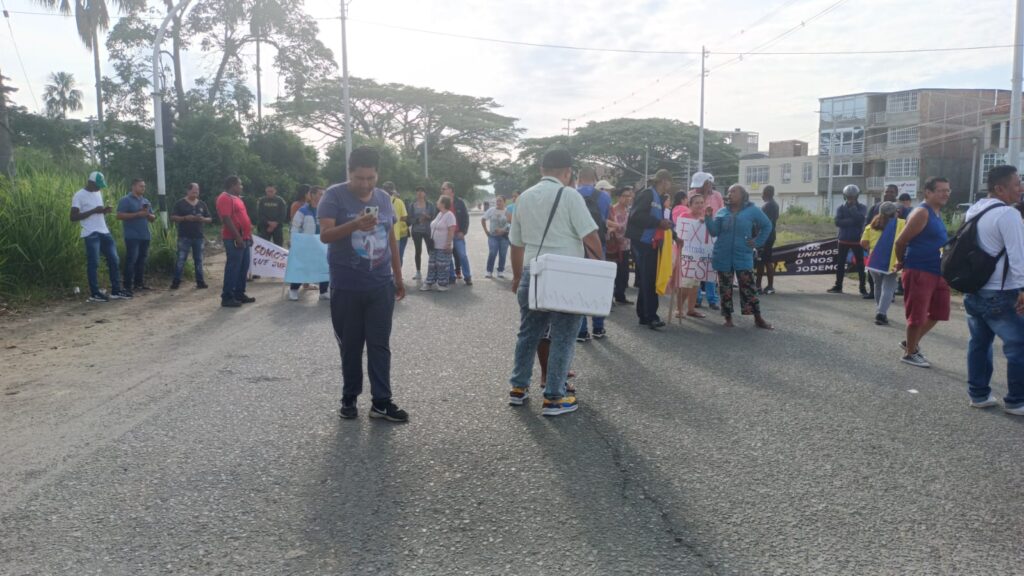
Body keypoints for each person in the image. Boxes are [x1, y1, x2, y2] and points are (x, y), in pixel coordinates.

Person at [507, 147, 602, 416]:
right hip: (565, 275)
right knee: (563, 336)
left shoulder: (524, 197)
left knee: (528, 333)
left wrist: (516, 276)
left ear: (541, 170)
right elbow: (591, 237)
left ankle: (518, 388)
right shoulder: (569, 195)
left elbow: (515, 244)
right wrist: (600, 270)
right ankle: (554, 397)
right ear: (568, 172)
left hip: (532, 271)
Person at [318, 146, 407, 422]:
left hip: (380, 285)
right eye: (360, 178)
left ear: (377, 175)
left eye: (370, 178)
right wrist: (355, 224)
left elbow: (391, 237)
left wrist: (398, 276)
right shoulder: (333, 196)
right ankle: (349, 397)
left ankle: (381, 401)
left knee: (380, 345)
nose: (365, 183)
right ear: (350, 173)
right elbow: (325, 236)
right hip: (347, 285)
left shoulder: (383, 198)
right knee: (351, 345)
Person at [962, 165, 1024, 413]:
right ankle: (1017, 400)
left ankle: (978, 394)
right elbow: (1018, 255)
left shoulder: (975, 210)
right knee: (1019, 344)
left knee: (979, 343)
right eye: (1017, 184)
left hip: (975, 289)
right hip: (1000, 292)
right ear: (1000, 188)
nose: (1021, 188)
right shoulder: (1007, 214)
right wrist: (1023, 287)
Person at [894, 177, 952, 368]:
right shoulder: (921, 212)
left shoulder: (937, 212)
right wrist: (902, 262)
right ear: (927, 192)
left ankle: (910, 342)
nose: (946, 194)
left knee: (939, 312)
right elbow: (900, 242)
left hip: (938, 271)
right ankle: (910, 353)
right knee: (917, 314)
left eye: (947, 190)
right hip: (919, 269)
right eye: (941, 190)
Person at [705, 184, 774, 329]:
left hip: (743, 255)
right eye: (729, 192)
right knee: (725, 288)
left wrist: (757, 242)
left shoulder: (752, 210)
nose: (729, 194)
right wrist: (708, 218)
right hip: (723, 255)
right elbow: (714, 232)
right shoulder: (722, 212)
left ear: (743, 195)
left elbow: (767, 225)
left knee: (748, 288)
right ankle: (727, 318)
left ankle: (758, 318)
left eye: (733, 192)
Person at [70, 171, 130, 302]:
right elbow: (73, 217)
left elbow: (98, 211)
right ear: (90, 182)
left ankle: (116, 290)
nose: (99, 187)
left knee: (114, 260)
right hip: (90, 233)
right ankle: (95, 293)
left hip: (104, 231)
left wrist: (103, 211)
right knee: (94, 263)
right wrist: (94, 211)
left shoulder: (98, 192)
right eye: (97, 185)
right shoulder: (79, 195)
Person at [627, 169, 674, 329]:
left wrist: (672, 232)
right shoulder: (648, 194)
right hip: (642, 242)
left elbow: (657, 220)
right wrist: (658, 222)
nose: (670, 185)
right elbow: (635, 216)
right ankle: (651, 316)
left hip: (650, 242)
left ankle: (644, 315)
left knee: (648, 279)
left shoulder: (658, 198)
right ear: (664, 181)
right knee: (649, 279)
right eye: (669, 182)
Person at [576, 168, 612, 341]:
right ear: (594, 179)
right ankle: (599, 328)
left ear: (579, 178)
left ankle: (582, 331)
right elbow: (604, 220)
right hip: (599, 246)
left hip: (576, 246)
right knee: (597, 287)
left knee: (579, 288)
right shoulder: (605, 197)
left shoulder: (572, 195)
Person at [860, 201, 905, 325]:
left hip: (873, 261)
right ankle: (881, 313)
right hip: (891, 261)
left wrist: (871, 249)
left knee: (877, 286)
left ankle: (879, 310)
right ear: (895, 213)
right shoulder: (902, 224)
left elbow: (863, 242)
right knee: (888, 288)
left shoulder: (871, 225)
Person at [216, 176, 255, 308]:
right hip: (234, 238)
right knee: (233, 268)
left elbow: (242, 218)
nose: (241, 187)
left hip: (245, 237)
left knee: (243, 267)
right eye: (240, 184)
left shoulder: (237, 199)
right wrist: (238, 237)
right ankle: (227, 297)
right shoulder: (224, 198)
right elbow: (226, 219)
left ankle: (239, 293)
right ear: (233, 185)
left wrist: (249, 235)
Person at [289, 186, 330, 301]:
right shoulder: (303, 210)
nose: (322, 196)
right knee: (302, 267)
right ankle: (293, 290)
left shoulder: (326, 210)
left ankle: (323, 291)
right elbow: (295, 227)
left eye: (323, 194)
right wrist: (294, 241)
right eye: (319, 194)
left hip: (322, 244)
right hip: (306, 244)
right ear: (311, 195)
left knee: (324, 266)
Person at [827, 184, 869, 298]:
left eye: (853, 197)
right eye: (849, 197)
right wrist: (853, 220)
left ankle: (862, 288)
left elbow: (861, 220)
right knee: (840, 264)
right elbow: (837, 222)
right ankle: (838, 286)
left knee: (860, 265)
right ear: (845, 196)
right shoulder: (840, 207)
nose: (851, 199)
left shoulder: (862, 207)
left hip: (857, 241)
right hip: (843, 240)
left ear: (857, 196)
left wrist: (852, 210)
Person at [116, 178, 157, 293]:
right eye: (141, 186)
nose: (143, 188)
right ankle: (127, 286)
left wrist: (148, 215)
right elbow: (119, 216)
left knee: (142, 260)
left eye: (144, 186)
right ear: (133, 186)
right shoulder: (125, 200)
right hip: (132, 235)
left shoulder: (146, 201)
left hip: (145, 235)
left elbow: (153, 218)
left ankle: (139, 283)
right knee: (131, 260)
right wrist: (138, 214)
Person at [170, 182, 212, 290]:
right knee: (181, 259)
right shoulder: (180, 203)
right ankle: (176, 282)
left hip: (198, 236)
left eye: (197, 191)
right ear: (188, 191)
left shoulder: (202, 203)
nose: (196, 193)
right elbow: (173, 217)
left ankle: (200, 282)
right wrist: (185, 218)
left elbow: (210, 218)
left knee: (199, 260)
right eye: (194, 191)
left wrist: (202, 219)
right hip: (184, 236)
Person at [690, 172, 722, 310]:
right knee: (697, 268)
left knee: (710, 269)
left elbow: (721, 213)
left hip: (712, 237)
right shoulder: (691, 194)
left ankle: (712, 299)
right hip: (695, 237)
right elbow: (687, 212)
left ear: (708, 183)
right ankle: (696, 298)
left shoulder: (717, 196)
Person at [673, 192, 706, 320]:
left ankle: (691, 309)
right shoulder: (684, 216)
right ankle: (679, 308)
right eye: (696, 203)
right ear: (690, 204)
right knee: (685, 284)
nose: (699, 205)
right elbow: (679, 234)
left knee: (695, 284)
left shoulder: (705, 217)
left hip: (699, 255)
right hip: (685, 254)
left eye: (702, 202)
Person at [422, 196, 456, 291]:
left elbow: (451, 230)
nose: (436, 202)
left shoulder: (450, 215)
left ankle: (442, 284)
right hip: (434, 245)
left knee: (442, 265)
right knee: (432, 265)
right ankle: (429, 283)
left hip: (443, 245)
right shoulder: (440, 214)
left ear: (443, 203)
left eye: (438, 201)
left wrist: (448, 243)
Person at [441, 181, 472, 285]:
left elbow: (465, 218)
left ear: (450, 190)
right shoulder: (442, 202)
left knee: (462, 255)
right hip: (446, 235)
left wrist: (463, 232)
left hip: (458, 234)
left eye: (443, 188)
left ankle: (467, 276)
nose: (442, 190)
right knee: (448, 256)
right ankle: (451, 276)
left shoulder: (459, 202)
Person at [607, 185, 634, 304]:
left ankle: (620, 295)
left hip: (626, 245)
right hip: (614, 246)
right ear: (619, 197)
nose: (628, 198)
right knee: (613, 272)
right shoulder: (612, 210)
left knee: (624, 273)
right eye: (625, 196)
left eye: (630, 196)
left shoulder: (630, 211)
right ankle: (609, 297)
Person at [755, 185, 780, 295]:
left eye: (762, 193)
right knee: (768, 260)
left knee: (761, 261)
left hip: (765, 236)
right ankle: (769, 286)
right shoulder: (775, 205)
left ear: (766, 194)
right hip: (771, 235)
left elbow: (762, 222)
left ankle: (758, 286)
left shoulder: (767, 206)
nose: (761, 195)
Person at [408, 186, 436, 280]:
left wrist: (427, 216)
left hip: (428, 231)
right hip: (416, 231)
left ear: (425, 193)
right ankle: (418, 272)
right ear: (416, 193)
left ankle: (432, 271)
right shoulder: (412, 205)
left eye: (421, 191)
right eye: (418, 191)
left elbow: (434, 217)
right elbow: (409, 219)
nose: (419, 193)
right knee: (418, 251)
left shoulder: (430, 205)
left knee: (430, 251)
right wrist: (418, 220)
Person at [482, 195, 510, 278]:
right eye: (497, 201)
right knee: (492, 252)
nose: (498, 202)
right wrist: (486, 231)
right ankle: (489, 271)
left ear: (504, 202)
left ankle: (500, 270)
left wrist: (503, 230)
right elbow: (483, 219)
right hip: (493, 236)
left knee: (503, 254)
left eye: (500, 201)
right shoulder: (491, 210)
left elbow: (510, 224)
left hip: (504, 237)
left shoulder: (507, 211)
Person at [383, 182, 410, 266]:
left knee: (383, 257)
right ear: (393, 190)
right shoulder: (399, 201)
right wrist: (397, 218)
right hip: (395, 234)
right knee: (396, 257)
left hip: (382, 234)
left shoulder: (380, 200)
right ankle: (396, 277)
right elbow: (405, 217)